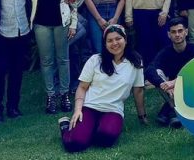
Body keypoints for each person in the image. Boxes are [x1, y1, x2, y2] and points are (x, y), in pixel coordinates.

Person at [59, 24, 146, 152]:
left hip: (113, 109)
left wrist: (142, 116)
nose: (114, 43)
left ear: (125, 40)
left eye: (118, 39)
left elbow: (138, 91)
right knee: (75, 144)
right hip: (90, 106)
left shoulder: (136, 62)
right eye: (109, 40)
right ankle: (65, 128)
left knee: (106, 139)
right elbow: (82, 87)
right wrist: (77, 110)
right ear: (104, 44)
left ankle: (91, 129)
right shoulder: (95, 60)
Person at [30, 0, 78, 114]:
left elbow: (73, 2)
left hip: (62, 23)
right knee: (47, 60)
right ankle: (51, 95)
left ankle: (64, 94)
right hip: (41, 25)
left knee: (63, 59)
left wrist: (73, 24)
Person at [145, 17, 194, 127]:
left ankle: (168, 112)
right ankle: (174, 111)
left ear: (186, 32)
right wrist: (162, 83)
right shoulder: (165, 52)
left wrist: (175, 82)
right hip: (171, 91)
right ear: (169, 35)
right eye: (173, 32)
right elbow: (150, 70)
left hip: (193, 87)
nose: (177, 34)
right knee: (157, 73)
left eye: (180, 31)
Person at [61, 0, 89, 94]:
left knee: (75, 49)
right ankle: (64, 82)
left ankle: (74, 84)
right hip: (60, 16)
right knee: (70, 50)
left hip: (78, 12)